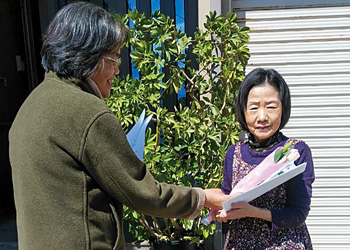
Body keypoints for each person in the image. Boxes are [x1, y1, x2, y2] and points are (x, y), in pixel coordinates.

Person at [8, 2, 227, 249]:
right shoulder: (85, 111)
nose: (118, 71)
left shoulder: (33, 102)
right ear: (89, 57)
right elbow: (143, 193)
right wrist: (202, 197)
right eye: (114, 59)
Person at [212, 68, 315, 249]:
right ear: (243, 111)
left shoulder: (296, 151)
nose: (262, 117)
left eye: (271, 106)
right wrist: (222, 213)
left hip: (284, 244)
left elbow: (298, 213)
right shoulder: (232, 154)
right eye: (253, 108)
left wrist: (255, 212)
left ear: (283, 108)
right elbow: (227, 201)